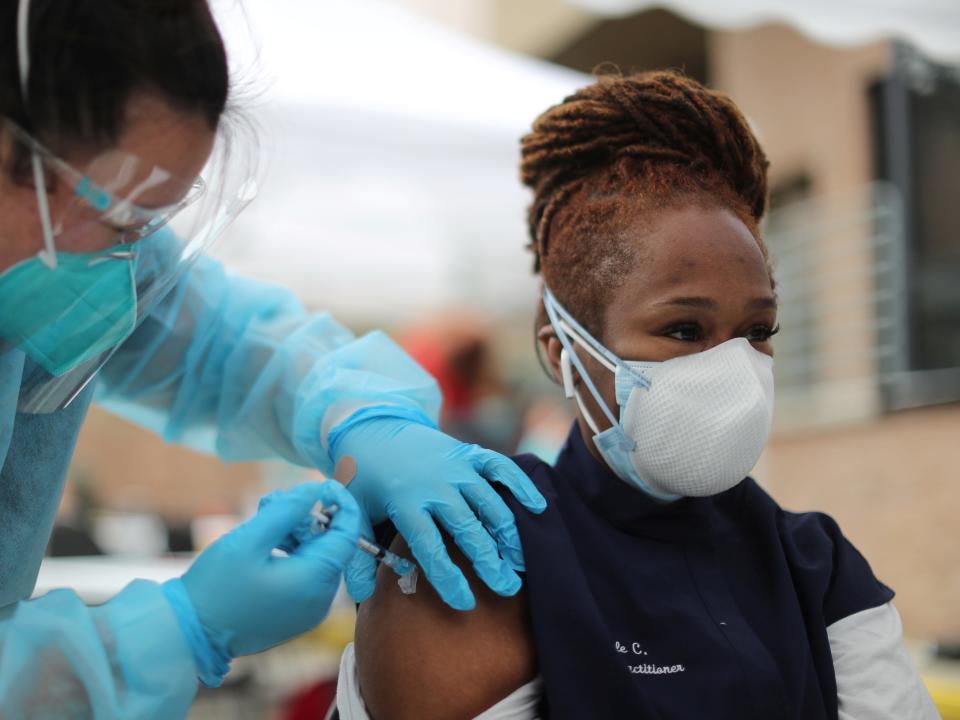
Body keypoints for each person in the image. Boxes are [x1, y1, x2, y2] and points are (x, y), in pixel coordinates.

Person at [339, 71, 940, 719]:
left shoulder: (813, 565)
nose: (733, 369)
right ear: (558, 348)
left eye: (757, 331)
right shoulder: (482, 551)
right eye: (684, 329)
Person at [0, 0, 545, 715]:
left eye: (149, 225)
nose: (126, 260)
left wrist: (364, 415)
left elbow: (224, 346)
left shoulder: (67, 252)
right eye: (118, 218)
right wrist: (176, 630)